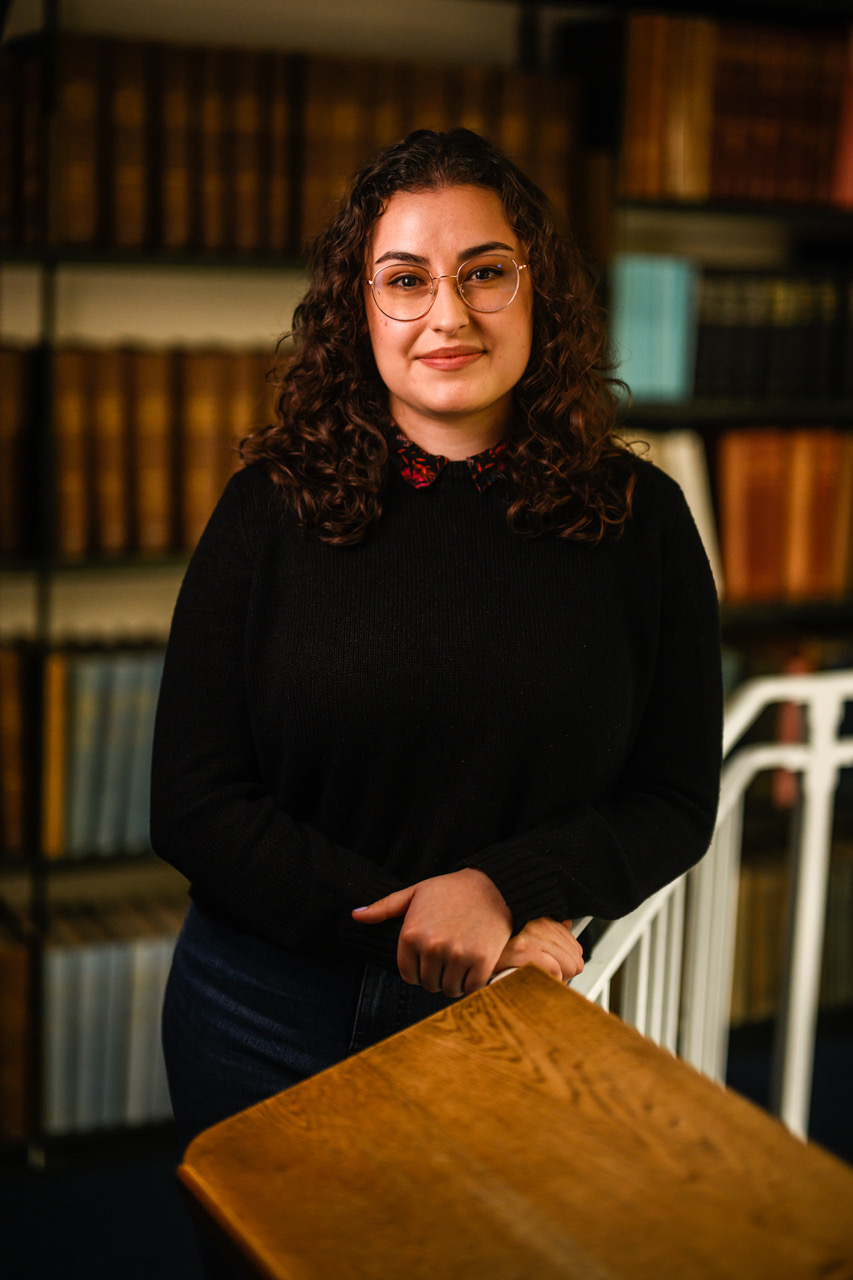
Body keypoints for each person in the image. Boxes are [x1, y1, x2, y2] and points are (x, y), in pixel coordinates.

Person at [152, 129, 722, 1167]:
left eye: (486, 273)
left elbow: (675, 796)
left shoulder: (641, 521)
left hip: (514, 1018)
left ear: (538, 289)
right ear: (356, 307)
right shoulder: (265, 512)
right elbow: (194, 801)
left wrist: (506, 884)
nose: (448, 315)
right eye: (405, 279)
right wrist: (452, 930)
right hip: (262, 1016)